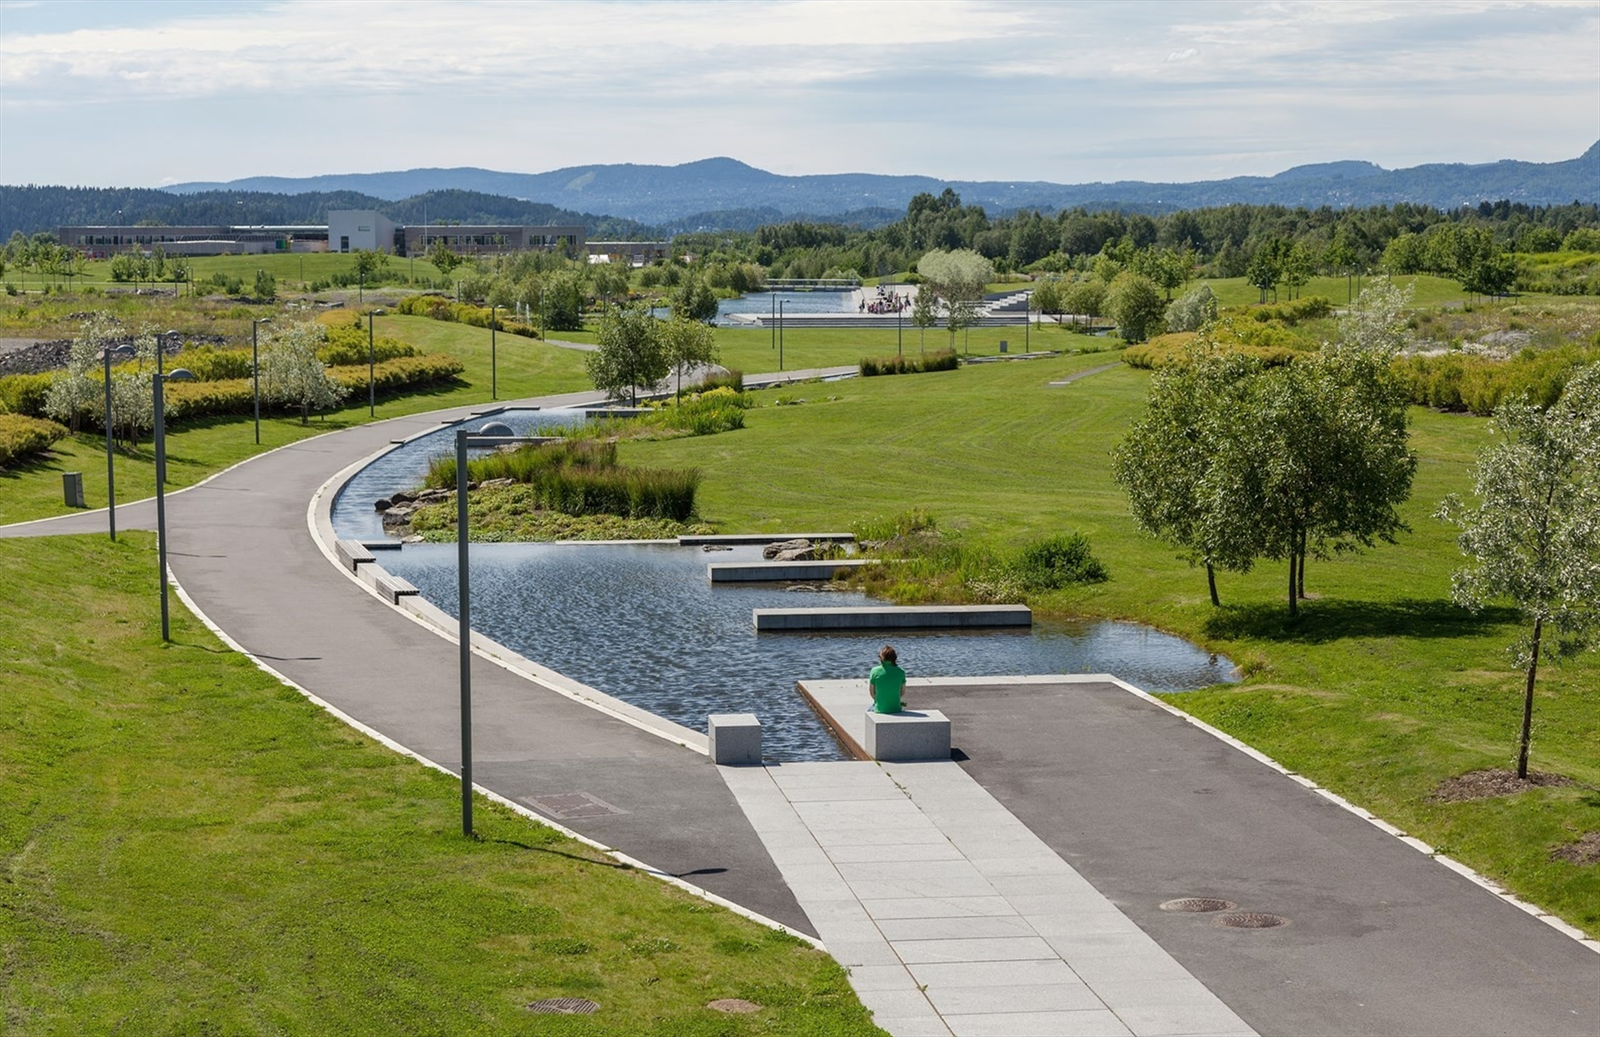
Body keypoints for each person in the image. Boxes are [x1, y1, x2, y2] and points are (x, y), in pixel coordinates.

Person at [868, 644, 907, 713]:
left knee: (869, 709)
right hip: (896, 708)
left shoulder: (874, 671)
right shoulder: (901, 671)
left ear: (881, 658)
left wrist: (879, 701)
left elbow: (872, 693)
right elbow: (903, 692)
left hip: (880, 708)